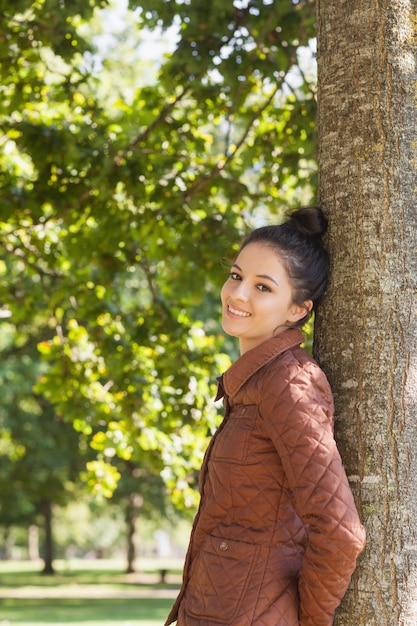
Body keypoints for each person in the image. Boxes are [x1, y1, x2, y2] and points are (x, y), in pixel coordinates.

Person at [165, 206, 366, 626]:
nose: (238, 294)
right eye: (237, 276)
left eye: (263, 287)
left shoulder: (289, 383)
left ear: (297, 309)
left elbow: (340, 532)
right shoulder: (255, 382)